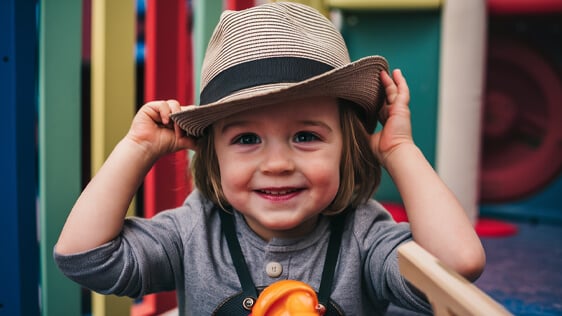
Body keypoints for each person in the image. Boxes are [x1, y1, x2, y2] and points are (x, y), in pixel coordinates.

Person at [54, 2, 485, 315]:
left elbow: (457, 267)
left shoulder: (365, 236)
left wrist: (399, 150)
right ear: (213, 158)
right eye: (246, 139)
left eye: (304, 135)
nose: (277, 163)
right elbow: (84, 258)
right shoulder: (193, 231)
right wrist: (138, 149)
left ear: (347, 148)